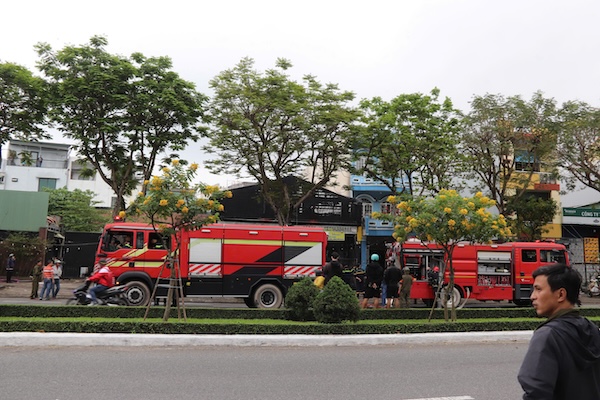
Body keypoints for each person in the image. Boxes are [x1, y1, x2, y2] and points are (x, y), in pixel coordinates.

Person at [517, 263, 600, 399]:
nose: (533, 296)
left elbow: (536, 391)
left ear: (561, 294)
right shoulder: (592, 329)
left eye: (538, 289)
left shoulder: (547, 335)